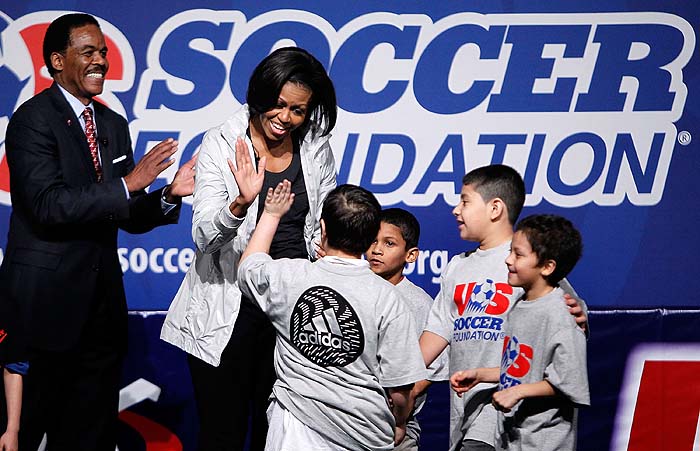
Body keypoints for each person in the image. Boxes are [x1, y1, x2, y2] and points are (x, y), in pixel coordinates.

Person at [0, 13, 195, 451]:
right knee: (23, 433)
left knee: (89, 437)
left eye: (104, 52)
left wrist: (167, 194)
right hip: (43, 311)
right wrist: (129, 184)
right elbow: (48, 206)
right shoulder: (32, 120)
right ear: (56, 60)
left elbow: (125, 212)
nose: (101, 61)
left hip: (101, 313)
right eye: (88, 51)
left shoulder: (110, 125)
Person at [160, 46, 337, 450]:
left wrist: (327, 254)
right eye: (278, 105)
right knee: (222, 433)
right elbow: (205, 237)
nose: (286, 118)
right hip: (228, 310)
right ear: (260, 92)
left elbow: (320, 224)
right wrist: (239, 203)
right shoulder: (222, 142)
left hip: (291, 313)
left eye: (298, 110)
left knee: (277, 433)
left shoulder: (315, 147)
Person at [237, 183, 426, 450]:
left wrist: (271, 214)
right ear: (371, 235)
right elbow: (401, 390)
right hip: (364, 432)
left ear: (323, 228)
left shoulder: (290, 278)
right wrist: (399, 422)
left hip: (293, 433)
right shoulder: (389, 299)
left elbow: (248, 266)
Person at [419, 165, 588, 451]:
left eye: (464, 201)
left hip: (507, 416)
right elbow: (437, 333)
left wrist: (580, 314)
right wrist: (395, 378)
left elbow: (568, 313)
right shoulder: (457, 267)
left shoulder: (527, 264)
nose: (455, 210)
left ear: (495, 208)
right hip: (466, 412)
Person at [450, 214, 589, 450]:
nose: (508, 260)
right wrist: (481, 374)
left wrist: (518, 392)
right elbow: (523, 368)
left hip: (544, 443)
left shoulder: (561, 315)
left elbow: (570, 383)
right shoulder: (519, 305)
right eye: (510, 251)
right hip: (511, 439)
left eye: (518, 254)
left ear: (547, 266)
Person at [365, 208, 449, 450]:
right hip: (354, 418)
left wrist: (400, 404)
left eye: (389, 243)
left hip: (399, 422)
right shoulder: (355, 290)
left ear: (410, 255)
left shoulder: (420, 303)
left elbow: (433, 366)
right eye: (372, 240)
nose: (376, 249)